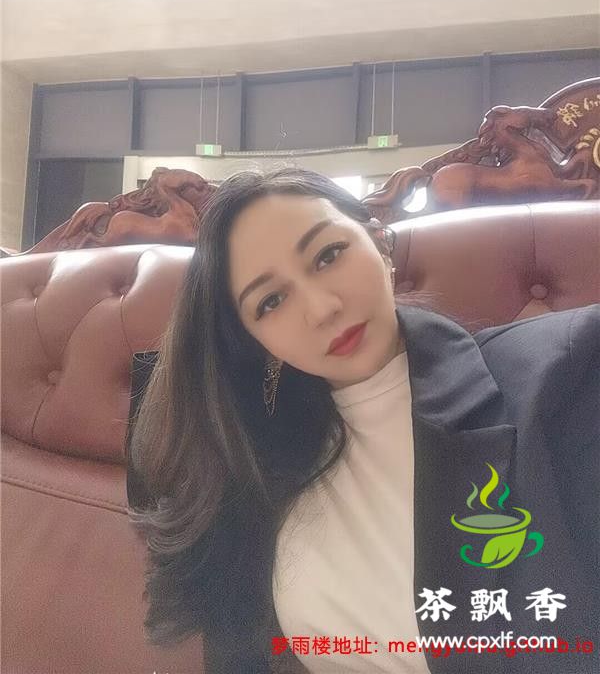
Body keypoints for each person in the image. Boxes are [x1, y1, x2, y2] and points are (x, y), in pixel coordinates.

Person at [126, 165, 599, 674]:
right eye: (271, 301)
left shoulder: (564, 373)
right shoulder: (250, 473)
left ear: (379, 243)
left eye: (328, 255)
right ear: (257, 342)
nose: (322, 308)